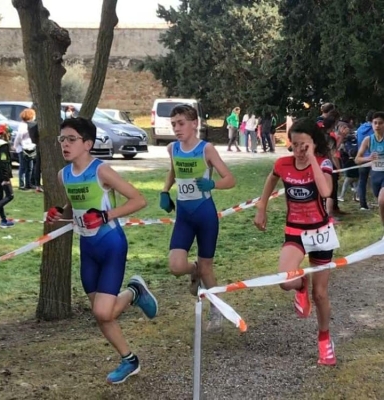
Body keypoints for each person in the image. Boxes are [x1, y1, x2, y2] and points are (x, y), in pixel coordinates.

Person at [46, 117, 158, 384]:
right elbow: (75, 207)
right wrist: (59, 214)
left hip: (111, 245)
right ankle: (129, 360)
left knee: (102, 312)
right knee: (101, 313)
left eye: (72, 139)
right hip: (87, 248)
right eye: (62, 139)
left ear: (88, 143)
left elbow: (139, 200)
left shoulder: (101, 171)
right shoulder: (64, 175)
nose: (65, 144)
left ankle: (134, 292)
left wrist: (106, 215)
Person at [254, 117, 339, 366]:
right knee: (285, 280)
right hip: (295, 232)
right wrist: (262, 206)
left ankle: (324, 340)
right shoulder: (283, 164)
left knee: (321, 294)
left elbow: (325, 192)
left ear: (314, 144)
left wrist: (312, 158)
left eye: (305, 145)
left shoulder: (323, 163)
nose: (299, 150)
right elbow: (271, 178)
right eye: (295, 144)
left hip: (321, 234)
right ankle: (301, 284)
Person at [160, 104, 235, 332]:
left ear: (194, 124)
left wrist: (213, 183)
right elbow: (173, 170)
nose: (176, 128)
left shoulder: (207, 149)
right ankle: (193, 271)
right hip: (184, 214)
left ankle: (216, 309)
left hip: (204, 213)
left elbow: (230, 179)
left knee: (207, 268)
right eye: (173, 124)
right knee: (175, 266)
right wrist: (165, 191)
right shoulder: (173, 148)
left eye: (181, 123)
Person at [356, 111, 384, 226]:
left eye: (380, 123)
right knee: (380, 200)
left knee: (382, 201)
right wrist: (368, 158)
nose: (377, 125)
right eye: (375, 123)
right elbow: (357, 159)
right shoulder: (368, 140)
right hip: (375, 176)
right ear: (371, 124)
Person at [356, 110, 375, 210]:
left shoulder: (359, 128)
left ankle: (363, 205)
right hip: (373, 158)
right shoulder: (375, 128)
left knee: (362, 181)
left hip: (362, 157)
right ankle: (379, 200)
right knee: (377, 180)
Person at [14, 108, 37, 190]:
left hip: (31, 147)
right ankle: (21, 184)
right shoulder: (23, 125)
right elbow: (19, 137)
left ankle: (28, 183)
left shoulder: (31, 124)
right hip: (23, 148)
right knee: (23, 167)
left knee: (30, 167)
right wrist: (16, 145)